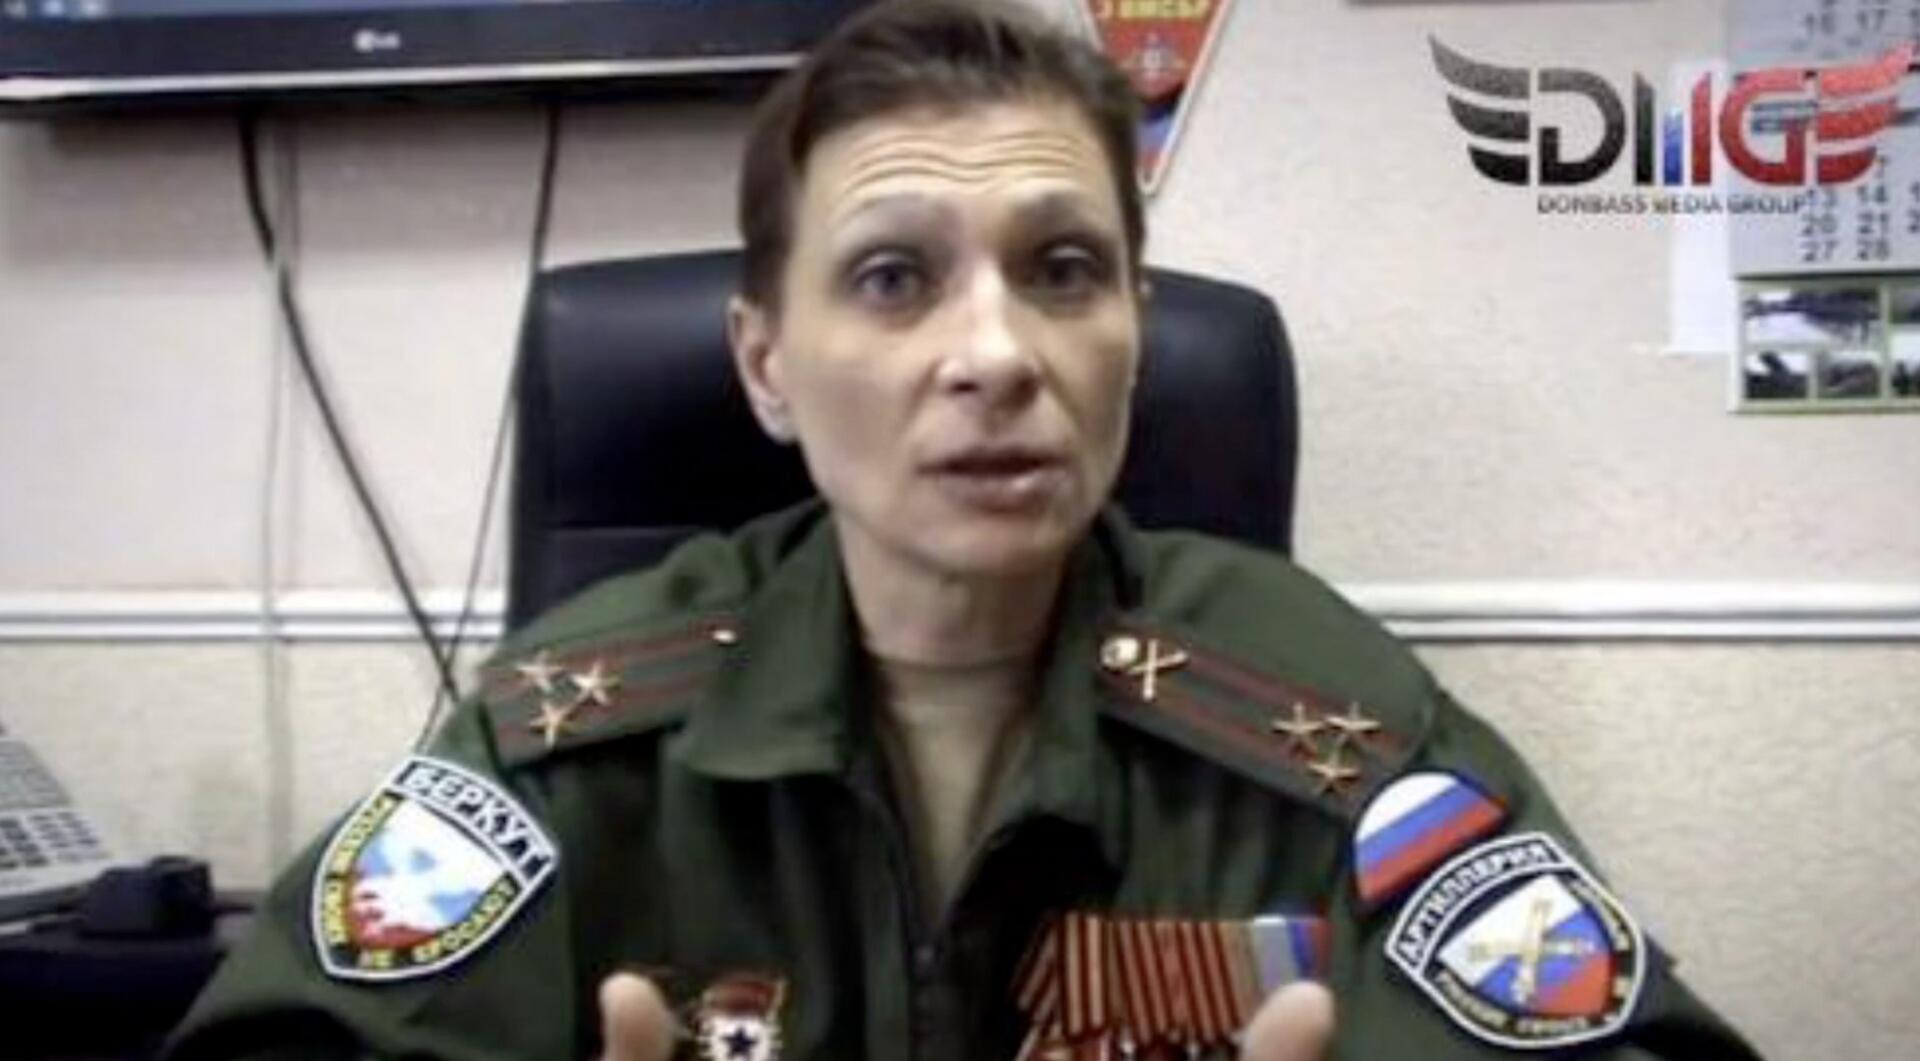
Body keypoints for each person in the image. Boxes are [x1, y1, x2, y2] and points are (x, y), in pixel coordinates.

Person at [169, 2, 1760, 1059]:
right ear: (766, 366)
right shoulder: (576, 731)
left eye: (1064, 270)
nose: (996, 352)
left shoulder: (1320, 712)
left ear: (1135, 330)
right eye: (892, 277)